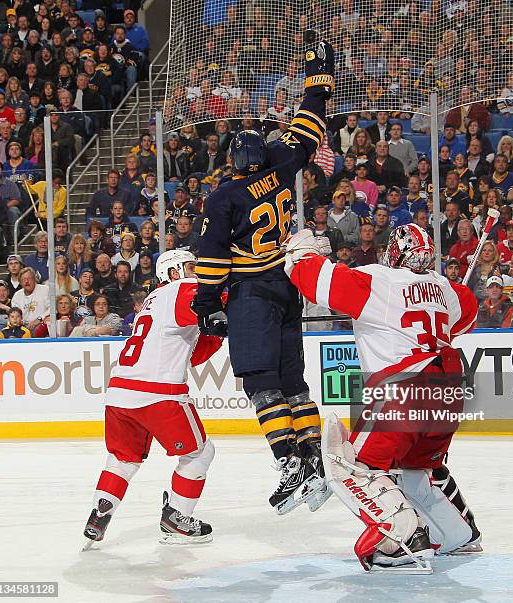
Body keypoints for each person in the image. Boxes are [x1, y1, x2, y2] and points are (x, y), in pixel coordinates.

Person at [283, 224, 480, 570]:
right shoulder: (445, 287)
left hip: (405, 387)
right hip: (449, 389)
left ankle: (402, 535)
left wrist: (301, 252)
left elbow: (320, 283)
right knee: (417, 470)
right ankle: (458, 534)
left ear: (394, 253)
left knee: (352, 464)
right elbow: (468, 314)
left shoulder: (381, 280)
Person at [194, 38, 335, 513]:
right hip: (287, 288)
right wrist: (318, 77)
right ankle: (314, 462)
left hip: (252, 293)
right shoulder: (281, 165)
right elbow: (308, 128)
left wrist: (208, 305)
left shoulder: (223, 198)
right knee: (294, 383)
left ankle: (290, 465)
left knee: (262, 384)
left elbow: (212, 259)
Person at [83, 250, 223, 547]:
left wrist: (215, 333)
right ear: (173, 273)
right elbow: (217, 299)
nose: (197, 272)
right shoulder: (183, 289)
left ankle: (99, 513)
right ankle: (177, 518)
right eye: (190, 267)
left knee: (122, 459)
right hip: (158, 393)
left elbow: (192, 355)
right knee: (200, 453)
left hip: (120, 392)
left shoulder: (154, 301)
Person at [10, 267, 49, 333]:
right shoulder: (17, 295)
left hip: (41, 323)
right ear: (20, 282)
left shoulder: (45, 290)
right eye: (23, 279)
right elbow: (15, 314)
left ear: (34, 279)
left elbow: (52, 309)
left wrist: (39, 319)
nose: (26, 281)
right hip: (22, 326)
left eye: (29, 278)